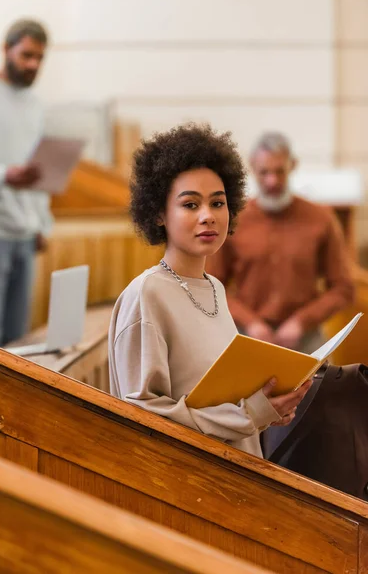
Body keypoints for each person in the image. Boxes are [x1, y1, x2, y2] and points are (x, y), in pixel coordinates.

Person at [108, 123, 312, 458]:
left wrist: (267, 410)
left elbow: (221, 406)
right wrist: (253, 413)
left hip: (239, 472)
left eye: (217, 203)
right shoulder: (147, 294)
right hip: (192, 487)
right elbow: (141, 418)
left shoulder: (214, 286)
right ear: (159, 213)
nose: (208, 216)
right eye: (190, 205)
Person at [207, 132, 354, 353]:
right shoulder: (232, 219)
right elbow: (211, 286)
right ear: (253, 169)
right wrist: (251, 322)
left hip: (305, 339)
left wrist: (301, 321)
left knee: (322, 387)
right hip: (246, 336)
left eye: (279, 171)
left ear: (292, 166)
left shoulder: (321, 219)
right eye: (265, 172)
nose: (272, 181)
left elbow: (343, 288)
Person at [0, 19, 53, 346]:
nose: (33, 64)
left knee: (17, 344)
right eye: (26, 55)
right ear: (6, 50)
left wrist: (41, 223)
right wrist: (3, 174)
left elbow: (36, 174)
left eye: (39, 58)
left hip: (24, 234)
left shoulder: (34, 105)